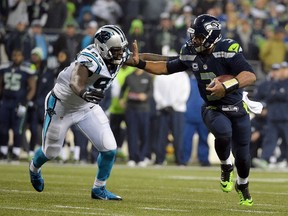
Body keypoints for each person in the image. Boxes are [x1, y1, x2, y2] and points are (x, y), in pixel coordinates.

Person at [128, 14, 256, 206]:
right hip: (214, 107)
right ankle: (225, 166)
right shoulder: (190, 51)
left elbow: (250, 75)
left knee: (244, 158)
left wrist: (227, 86)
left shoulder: (227, 49)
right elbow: (166, 66)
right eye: (193, 35)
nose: (194, 40)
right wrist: (140, 63)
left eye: (198, 37)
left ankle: (243, 185)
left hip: (237, 107)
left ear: (212, 37)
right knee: (223, 132)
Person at [29, 25, 131, 200]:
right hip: (62, 106)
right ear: (103, 48)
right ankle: (34, 168)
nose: (120, 54)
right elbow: (76, 82)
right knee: (51, 152)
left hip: (85, 107)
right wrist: (85, 93)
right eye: (116, 50)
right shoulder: (88, 58)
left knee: (109, 149)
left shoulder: (117, 55)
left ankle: (99, 189)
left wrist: (177, 61)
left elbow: (142, 59)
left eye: (122, 49)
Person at [0, 49, 37, 161]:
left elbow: (32, 88)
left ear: (22, 56)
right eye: (14, 55)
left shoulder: (27, 69)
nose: (16, 57)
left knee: (17, 129)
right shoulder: (4, 68)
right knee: (3, 128)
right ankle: (3, 151)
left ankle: (16, 152)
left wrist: (25, 102)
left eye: (18, 55)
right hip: (5, 101)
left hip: (19, 102)